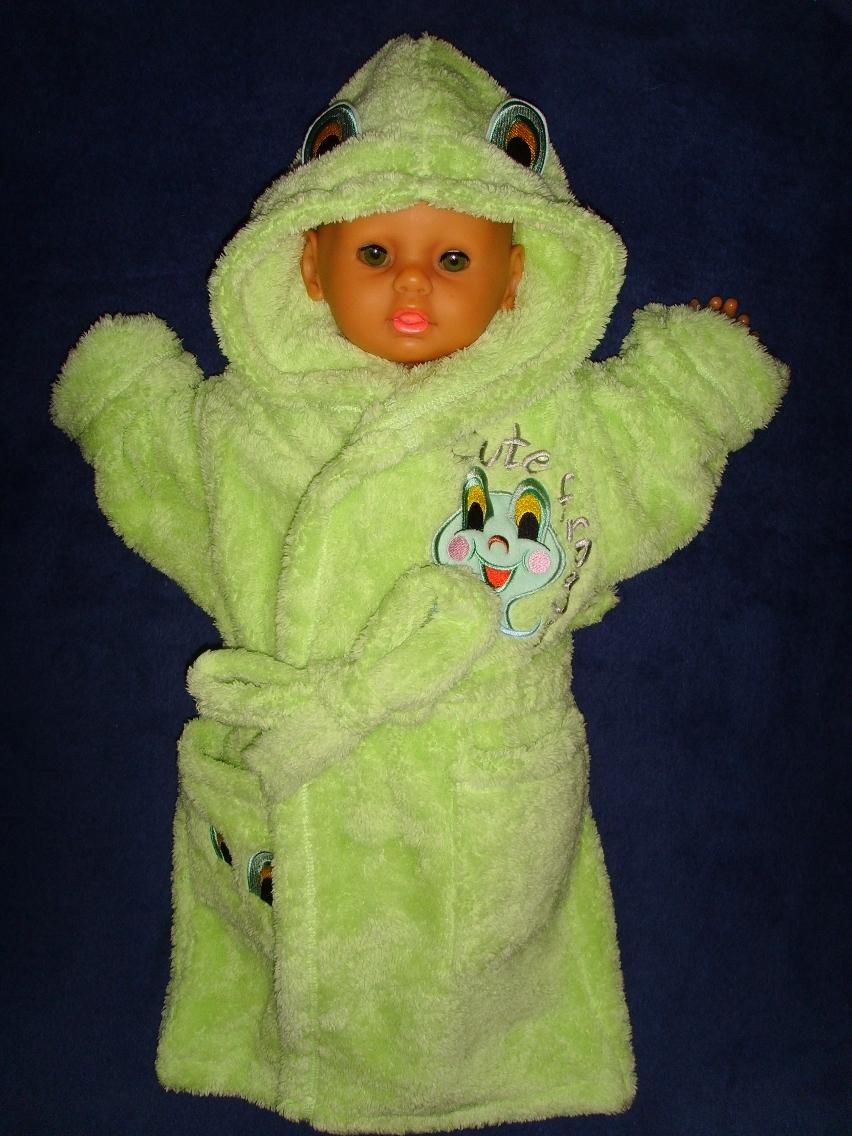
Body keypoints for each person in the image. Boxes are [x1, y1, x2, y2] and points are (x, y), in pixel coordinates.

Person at [51, 34, 787, 1133]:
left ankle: (491, 1067)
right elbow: (161, 472)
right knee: (289, 951)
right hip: (299, 780)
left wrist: (697, 375)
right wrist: (121, 395)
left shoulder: (557, 422)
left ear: (516, 275)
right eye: (373, 253)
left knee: (475, 970)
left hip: (479, 784)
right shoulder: (242, 426)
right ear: (309, 266)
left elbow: (648, 449)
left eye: (451, 258)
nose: (410, 283)